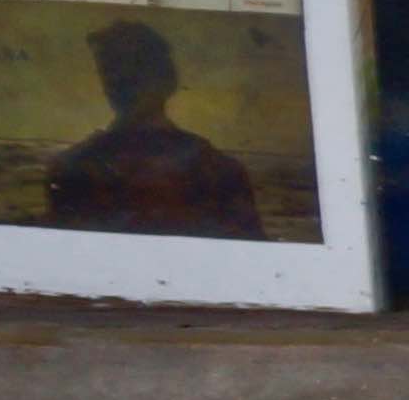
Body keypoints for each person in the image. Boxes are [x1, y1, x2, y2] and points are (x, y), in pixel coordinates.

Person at [45, 18, 264, 238]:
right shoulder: (220, 170)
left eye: (129, 71)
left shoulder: (72, 167)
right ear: (169, 81)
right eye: (112, 70)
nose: (118, 81)